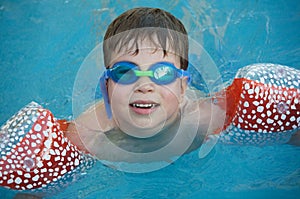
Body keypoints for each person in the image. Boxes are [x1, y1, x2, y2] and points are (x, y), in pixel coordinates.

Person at [1, 7, 299, 193]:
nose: (144, 85)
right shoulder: (87, 138)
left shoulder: (205, 118)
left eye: (160, 72)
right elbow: (39, 190)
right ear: (105, 88)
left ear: (183, 89)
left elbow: (289, 135)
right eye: (125, 71)